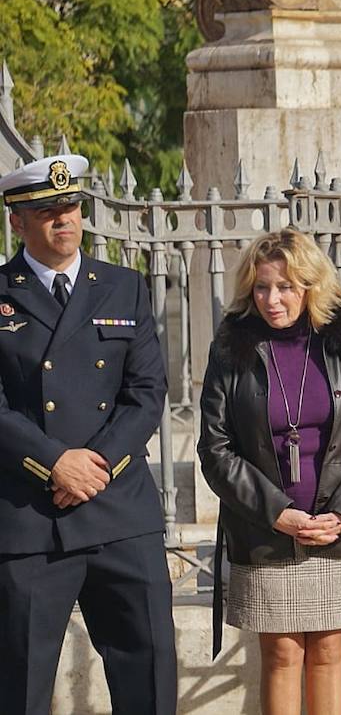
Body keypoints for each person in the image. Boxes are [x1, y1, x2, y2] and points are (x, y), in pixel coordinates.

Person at [0, 154, 176, 714]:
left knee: (148, 678)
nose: (64, 220)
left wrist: (92, 466)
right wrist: (54, 462)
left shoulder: (123, 287)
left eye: (71, 207)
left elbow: (147, 392)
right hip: (31, 517)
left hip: (118, 510)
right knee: (21, 686)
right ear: (17, 222)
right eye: (47, 211)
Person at [198, 228, 341, 715]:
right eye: (262, 287)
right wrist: (277, 513)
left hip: (336, 529)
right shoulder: (231, 346)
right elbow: (215, 449)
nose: (272, 299)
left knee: (329, 651)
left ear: (310, 285)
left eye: (285, 287)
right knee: (283, 653)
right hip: (266, 530)